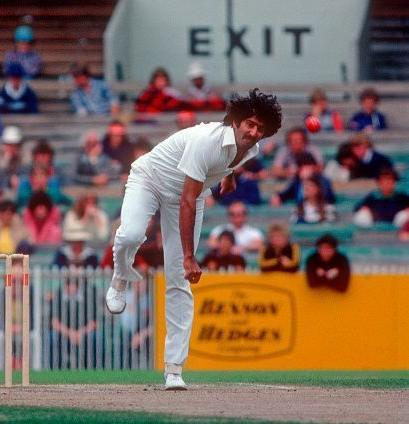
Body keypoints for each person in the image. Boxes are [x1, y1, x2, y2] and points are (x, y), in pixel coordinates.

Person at [105, 88, 282, 390]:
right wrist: (189, 256)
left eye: (260, 128)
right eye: (250, 125)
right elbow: (189, 199)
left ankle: (174, 369)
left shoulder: (250, 147)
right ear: (236, 122)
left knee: (178, 281)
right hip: (150, 179)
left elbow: (226, 163)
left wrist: (229, 175)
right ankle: (120, 277)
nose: (254, 132)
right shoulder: (206, 142)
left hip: (188, 196)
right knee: (131, 235)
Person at [270, 154, 336, 207]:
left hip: (322, 210)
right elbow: (286, 194)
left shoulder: (323, 180)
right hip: (301, 212)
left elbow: (325, 196)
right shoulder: (297, 181)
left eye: (308, 166)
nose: (306, 170)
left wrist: (307, 181)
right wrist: (278, 196)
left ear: (314, 167)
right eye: (303, 167)